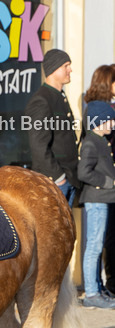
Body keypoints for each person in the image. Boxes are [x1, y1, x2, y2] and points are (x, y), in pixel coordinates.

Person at [25, 49, 79, 204]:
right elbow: (38, 144)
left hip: (68, 178)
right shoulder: (42, 100)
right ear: (54, 68)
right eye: (66, 65)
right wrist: (58, 177)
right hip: (54, 181)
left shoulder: (59, 97)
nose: (70, 70)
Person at [77, 101, 115, 308]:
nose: (113, 123)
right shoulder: (92, 142)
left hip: (103, 201)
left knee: (98, 247)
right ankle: (91, 293)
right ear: (98, 121)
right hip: (96, 201)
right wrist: (108, 182)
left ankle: (97, 289)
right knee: (94, 247)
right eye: (109, 119)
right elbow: (84, 172)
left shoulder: (102, 141)